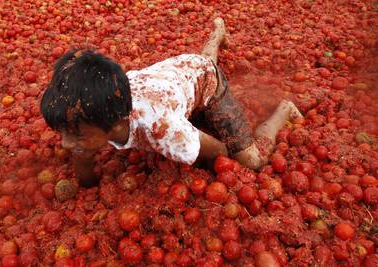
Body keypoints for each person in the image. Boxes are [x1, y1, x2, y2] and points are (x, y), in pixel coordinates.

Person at [40, 18, 302, 187]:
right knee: (198, 63)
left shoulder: (162, 130)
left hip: (204, 82)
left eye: (75, 135)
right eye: (63, 132)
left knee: (252, 160)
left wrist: (210, 151)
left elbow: (219, 150)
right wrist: (82, 157)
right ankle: (217, 35)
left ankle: (284, 110)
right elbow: (85, 175)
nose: (65, 142)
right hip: (174, 72)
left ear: (116, 121)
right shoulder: (89, 107)